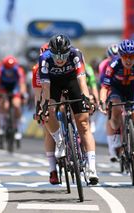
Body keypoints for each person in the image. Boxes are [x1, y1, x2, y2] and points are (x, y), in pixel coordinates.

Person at [38, 34, 99, 185]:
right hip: (54, 83)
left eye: (63, 55)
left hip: (72, 81)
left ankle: (92, 168)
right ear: (50, 52)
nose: (59, 59)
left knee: (84, 124)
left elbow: (82, 80)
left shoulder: (76, 54)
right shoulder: (44, 58)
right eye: (55, 55)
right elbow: (45, 87)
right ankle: (59, 141)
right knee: (48, 112)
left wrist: (86, 98)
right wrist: (45, 105)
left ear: (68, 51)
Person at [99, 39, 134, 174]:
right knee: (116, 109)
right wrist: (102, 101)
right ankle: (117, 133)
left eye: (132, 56)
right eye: (125, 57)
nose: (129, 60)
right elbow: (105, 87)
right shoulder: (113, 65)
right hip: (117, 90)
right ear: (120, 56)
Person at [32, 43, 60, 184]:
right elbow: (38, 93)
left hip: (62, 91)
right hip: (48, 95)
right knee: (48, 129)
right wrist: (39, 110)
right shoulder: (37, 69)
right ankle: (52, 170)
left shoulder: (62, 63)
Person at [98, 44, 121, 162]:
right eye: (113, 56)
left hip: (123, 87)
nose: (115, 58)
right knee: (110, 114)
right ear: (108, 57)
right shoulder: (104, 65)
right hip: (110, 88)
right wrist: (102, 101)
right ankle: (112, 149)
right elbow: (104, 85)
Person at [0, 55, 27, 141]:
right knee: (4, 106)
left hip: (14, 87)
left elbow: (22, 83)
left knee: (16, 105)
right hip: (4, 87)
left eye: (11, 67)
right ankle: (2, 125)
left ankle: (18, 128)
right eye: (7, 67)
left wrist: (23, 94)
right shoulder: (0, 70)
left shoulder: (18, 70)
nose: (9, 69)